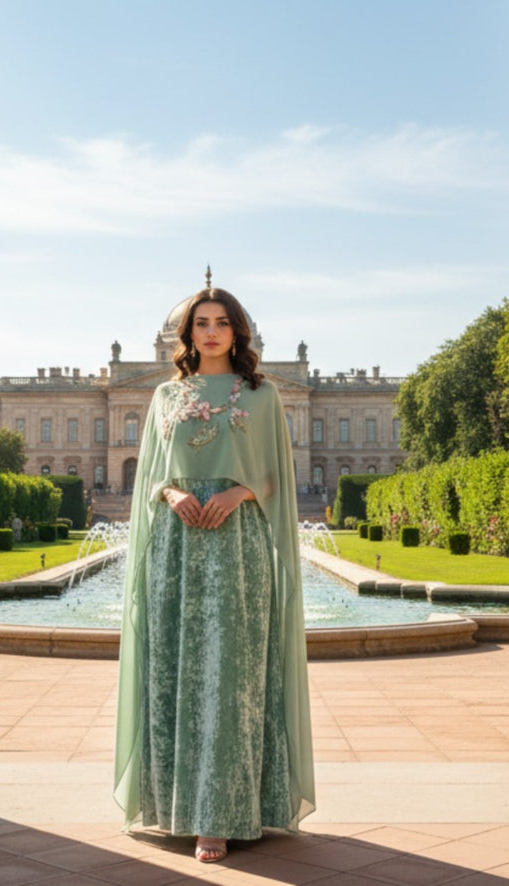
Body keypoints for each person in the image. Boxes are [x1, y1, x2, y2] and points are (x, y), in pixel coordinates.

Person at [113, 287, 316, 863]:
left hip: (237, 539)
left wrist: (240, 491)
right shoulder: (161, 395)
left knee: (232, 675)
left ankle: (220, 814)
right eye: (200, 323)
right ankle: (174, 805)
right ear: (185, 334)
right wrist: (172, 491)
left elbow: (279, 475)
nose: (210, 332)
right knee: (173, 667)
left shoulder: (264, 395)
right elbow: (151, 471)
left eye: (221, 323)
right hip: (176, 542)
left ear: (238, 332)